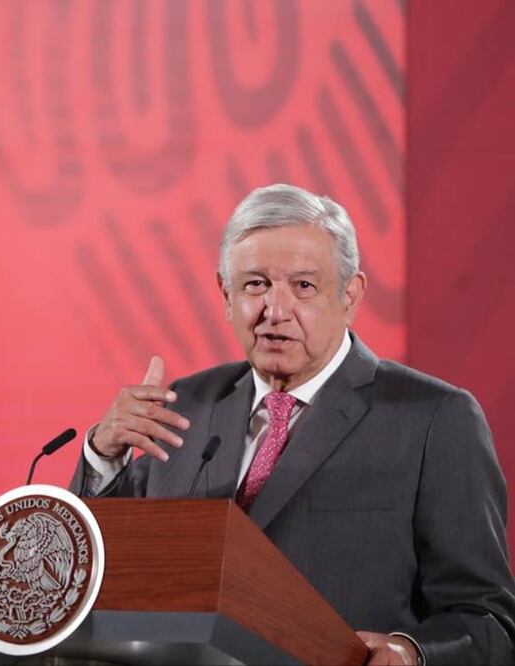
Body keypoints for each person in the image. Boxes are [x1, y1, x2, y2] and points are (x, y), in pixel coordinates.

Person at [70, 184, 515, 664]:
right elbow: (102, 573)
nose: (274, 311)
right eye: (255, 284)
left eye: (303, 286)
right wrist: (104, 455)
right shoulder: (188, 406)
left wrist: (412, 652)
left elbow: (486, 618)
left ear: (351, 294)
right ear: (225, 293)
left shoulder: (434, 419)